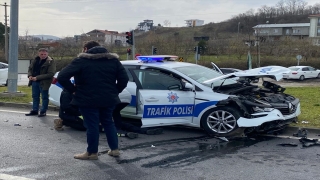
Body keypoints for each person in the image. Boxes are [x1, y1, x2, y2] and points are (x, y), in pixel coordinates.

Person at [57, 41, 129, 160]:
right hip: (108, 99)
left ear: (86, 49)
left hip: (87, 99)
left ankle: (91, 153)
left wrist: (72, 90)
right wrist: (115, 91)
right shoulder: (113, 61)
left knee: (92, 125)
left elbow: (62, 76)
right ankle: (115, 149)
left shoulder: (81, 61)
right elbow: (124, 79)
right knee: (108, 122)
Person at [26, 48, 56, 117]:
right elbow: (30, 69)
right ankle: (35, 110)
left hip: (44, 82)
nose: (43, 56)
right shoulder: (35, 60)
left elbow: (51, 74)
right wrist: (30, 75)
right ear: (38, 54)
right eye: (41, 54)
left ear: (47, 54)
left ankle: (43, 111)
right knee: (35, 96)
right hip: (34, 81)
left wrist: (37, 77)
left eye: (45, 54)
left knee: (44, 97)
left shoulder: (50, 61)